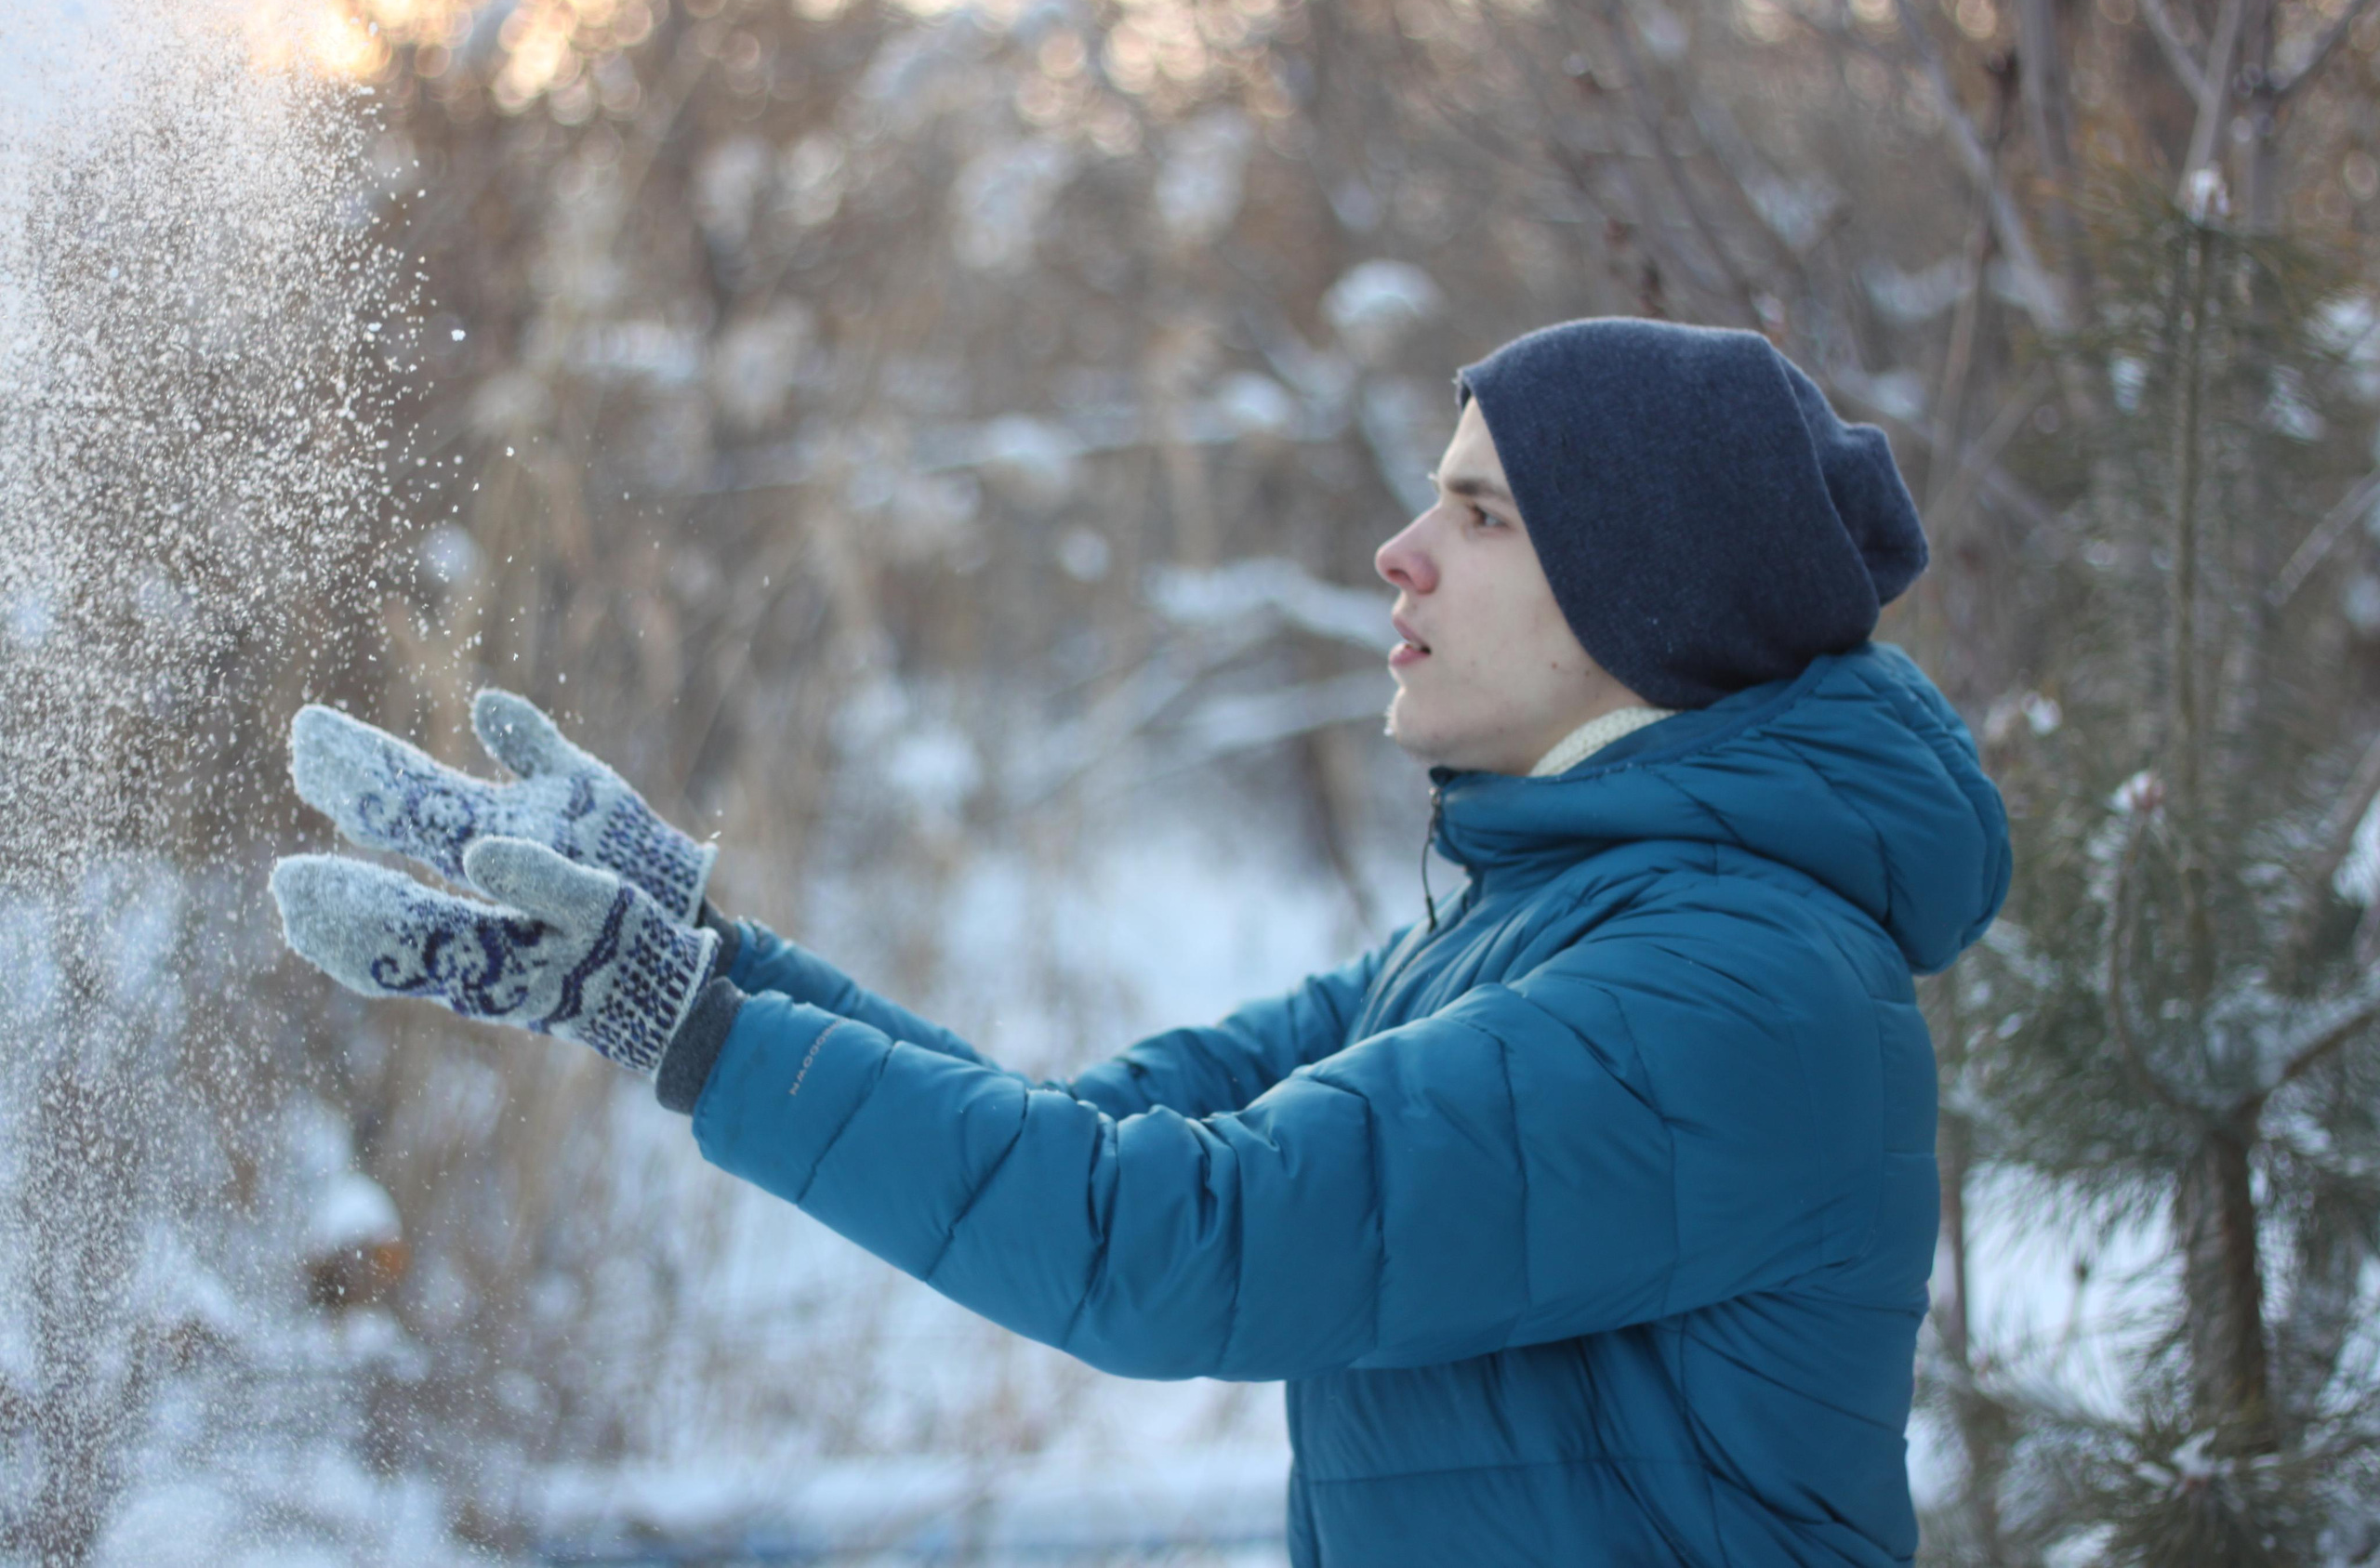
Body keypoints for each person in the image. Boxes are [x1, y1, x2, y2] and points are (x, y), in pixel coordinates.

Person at [272, 316, 2011, 1567]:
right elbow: (1091, 1146)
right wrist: (696, 954)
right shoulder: (1535, 936)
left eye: (1481, 514)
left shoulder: (1727, 1001)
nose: (1398, 555)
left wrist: (692, 1031)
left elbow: (1179, 1243)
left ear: (1653, 608)